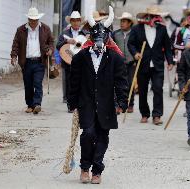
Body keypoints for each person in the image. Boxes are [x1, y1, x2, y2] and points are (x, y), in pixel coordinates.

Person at [68, 6, 128, 184]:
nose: (99, 39)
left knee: (102, 136)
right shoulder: (81, 57)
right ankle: (84, 168)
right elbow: (74, 81)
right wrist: (72, 103)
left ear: (108, 37)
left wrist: (122, 102)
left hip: (107, 104)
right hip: (86, 102)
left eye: (103, 35)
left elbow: (121, 81)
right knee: (88, 134)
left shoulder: (115, 58)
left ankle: (97, 170)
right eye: (96, 35)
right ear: (90, 36)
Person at [128, 5, 174, 125]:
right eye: (152, 16)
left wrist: (170, 61)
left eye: (156, 16)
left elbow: (168, 47)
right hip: (142, 64)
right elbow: (131, 43)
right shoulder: (137, 28)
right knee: (142, 91)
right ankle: (144, 114)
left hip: (157, 64)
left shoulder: (162, 29)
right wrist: (135, 53)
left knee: (158, 89)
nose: (154, 18)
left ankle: (157, 115)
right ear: (146, 16)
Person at [10, 7, 54, 114]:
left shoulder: (45, 29)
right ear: (28, 19)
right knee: (28, 84)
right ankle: (30, 105)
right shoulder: (21, 30)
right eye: (31, 19)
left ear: (38, 19)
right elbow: (16, 44)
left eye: (35, 20)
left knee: (37, 83)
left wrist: (50, 50)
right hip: (27, 62)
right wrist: (14, 56)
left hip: (40, 61)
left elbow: (51, 42)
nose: (33, 22)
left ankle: (37, 104)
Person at [56, 11, 86, 112]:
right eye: (74, 20)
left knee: (80, 83)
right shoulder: (65, 33)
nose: (76, 22)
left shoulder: (84, 33)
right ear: (71, 21)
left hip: (81, 63)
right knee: (69, 84)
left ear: (80, 21)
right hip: (67, 62)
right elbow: (58, 45)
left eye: (78, 20)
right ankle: (71, 106)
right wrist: (66, 41)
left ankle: (79, 104)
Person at [112, 12, 135, 113]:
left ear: (130, 23)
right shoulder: (116, 34)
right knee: (118, 84)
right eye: (121, 21)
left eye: (124, 21)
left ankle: (130, 104)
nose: (122, 23)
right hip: (119, 64)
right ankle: (118, 105)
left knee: (130, 84)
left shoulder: (134, 34)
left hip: (131, 63)